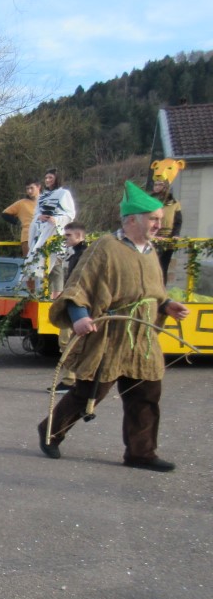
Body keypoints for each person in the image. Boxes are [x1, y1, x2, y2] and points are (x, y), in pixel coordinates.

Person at [37, 182, 189, 473]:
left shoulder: (150, 251)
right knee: (88, 394)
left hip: (142, 338)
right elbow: (78, 287)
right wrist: (80, 317)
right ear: (132, 220)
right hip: (108, 335)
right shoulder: (105, 247)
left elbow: (153, 292)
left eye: (159, 219)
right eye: (153, 219)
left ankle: (141, 453)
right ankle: (50, 432)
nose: (159, 224)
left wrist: (167, 304)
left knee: (146, 396)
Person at [47, 221, 88, 393]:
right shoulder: (77, 254)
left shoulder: (85, 255)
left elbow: (80, 283)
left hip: (77, 304)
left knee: (67, 342)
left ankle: (70, 381)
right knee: (67, 342)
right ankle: (73, 380)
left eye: (68, 235)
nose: (65, 238)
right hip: (73, 302)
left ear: (79, 235)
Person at [24, 168, 76, 292]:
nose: (47, 180)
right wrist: (39, 217)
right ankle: (42, 293)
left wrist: (57, 220)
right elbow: (37, 213)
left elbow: (70, 214)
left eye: (50, 178)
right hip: (41, 233)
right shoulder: (43, 196)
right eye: (46, 178)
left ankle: (56, 296)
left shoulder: (64, 194)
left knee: (55, 266)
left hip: (55, 233)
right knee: (38, 266)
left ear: (57, 179)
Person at [151, 173, 184, 283]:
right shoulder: (150, 201)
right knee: (151, 265)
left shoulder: (174, 203)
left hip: (168, 238)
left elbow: (178, 221)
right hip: (152, 236)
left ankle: (161, 290)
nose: (157, 187)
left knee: (163, 266)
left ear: (165, 186)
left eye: (160, 184)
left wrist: (176, 234)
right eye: (155, 184)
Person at [1, 181, 42, 257]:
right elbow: (5, 214)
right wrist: (17, 222)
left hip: (44, 235)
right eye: (27, 189)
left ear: (38, 187)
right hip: (27, 236)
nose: (29, 191)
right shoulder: (22, 203)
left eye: (31, 188)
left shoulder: (46, 201)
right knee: (29, 261)